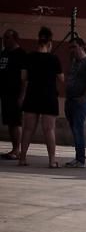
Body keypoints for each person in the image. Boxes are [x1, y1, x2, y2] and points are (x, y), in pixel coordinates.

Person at [18, 27, 64, 168]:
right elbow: (61, 79)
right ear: (50, 43)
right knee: (49, 129)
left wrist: (22, 95)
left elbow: (23, 77)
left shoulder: (29, 57)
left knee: (27, 129)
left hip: (32, 95)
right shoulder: (54, 59)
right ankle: (52, 160)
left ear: (38, 41)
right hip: (49, 96)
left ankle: (22, 158)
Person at [63, 37, 86, 168]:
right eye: (70, 47)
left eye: (74, 47)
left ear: (82, 47)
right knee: (74, 128)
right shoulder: (74, 63)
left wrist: (84, 97)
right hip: (71, 100)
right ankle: (77, 157)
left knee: (78, 128)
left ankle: (80, 159)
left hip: (81, 102)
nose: (72, 50)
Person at [0, 29, 27, 159]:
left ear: (14, 39)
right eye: (3, 37)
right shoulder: (4, 53)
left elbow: (24, 78)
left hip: (15, 93)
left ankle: (17, 150)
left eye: (7, 38)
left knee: (15, 122)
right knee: (9, 122)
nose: (4, 40)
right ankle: (13, 149)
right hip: (4, 93)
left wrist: (22, 95)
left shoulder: (21, 55)